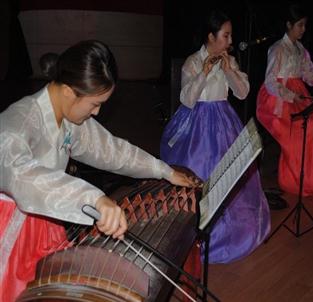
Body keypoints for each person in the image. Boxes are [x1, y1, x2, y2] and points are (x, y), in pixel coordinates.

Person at [0, 40, 199, 302]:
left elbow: (111, 150)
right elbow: (23, 177)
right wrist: (93, 198)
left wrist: (163, 170)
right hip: (11, 230)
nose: (97, 112)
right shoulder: (17, 124)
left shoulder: (67, 115)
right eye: (95, 104)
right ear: (70, 91)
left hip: (47, 217)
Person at [160, 10, 271, 264]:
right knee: (198, 172)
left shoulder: (229, 60)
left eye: (230, 35)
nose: (230, 41)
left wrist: (230, 70)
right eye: (226, 35)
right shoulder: (192, 61)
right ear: (211, 36)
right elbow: (186, 99)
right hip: (195, 123)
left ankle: (227, 232)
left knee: (229, 173)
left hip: (223, 120)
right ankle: (190, 232)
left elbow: (242, 94)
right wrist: (205, 72)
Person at [256, 4, 313, 196]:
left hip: (298, 96)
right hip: (278, 100)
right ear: (289, 25)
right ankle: (297, 181)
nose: (303, 29)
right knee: (307, 129)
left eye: (304, 25)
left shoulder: (301, 49)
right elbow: (270, 81)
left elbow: (308, 75)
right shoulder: (277, 49)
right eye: (300, 25)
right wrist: (290, 95)